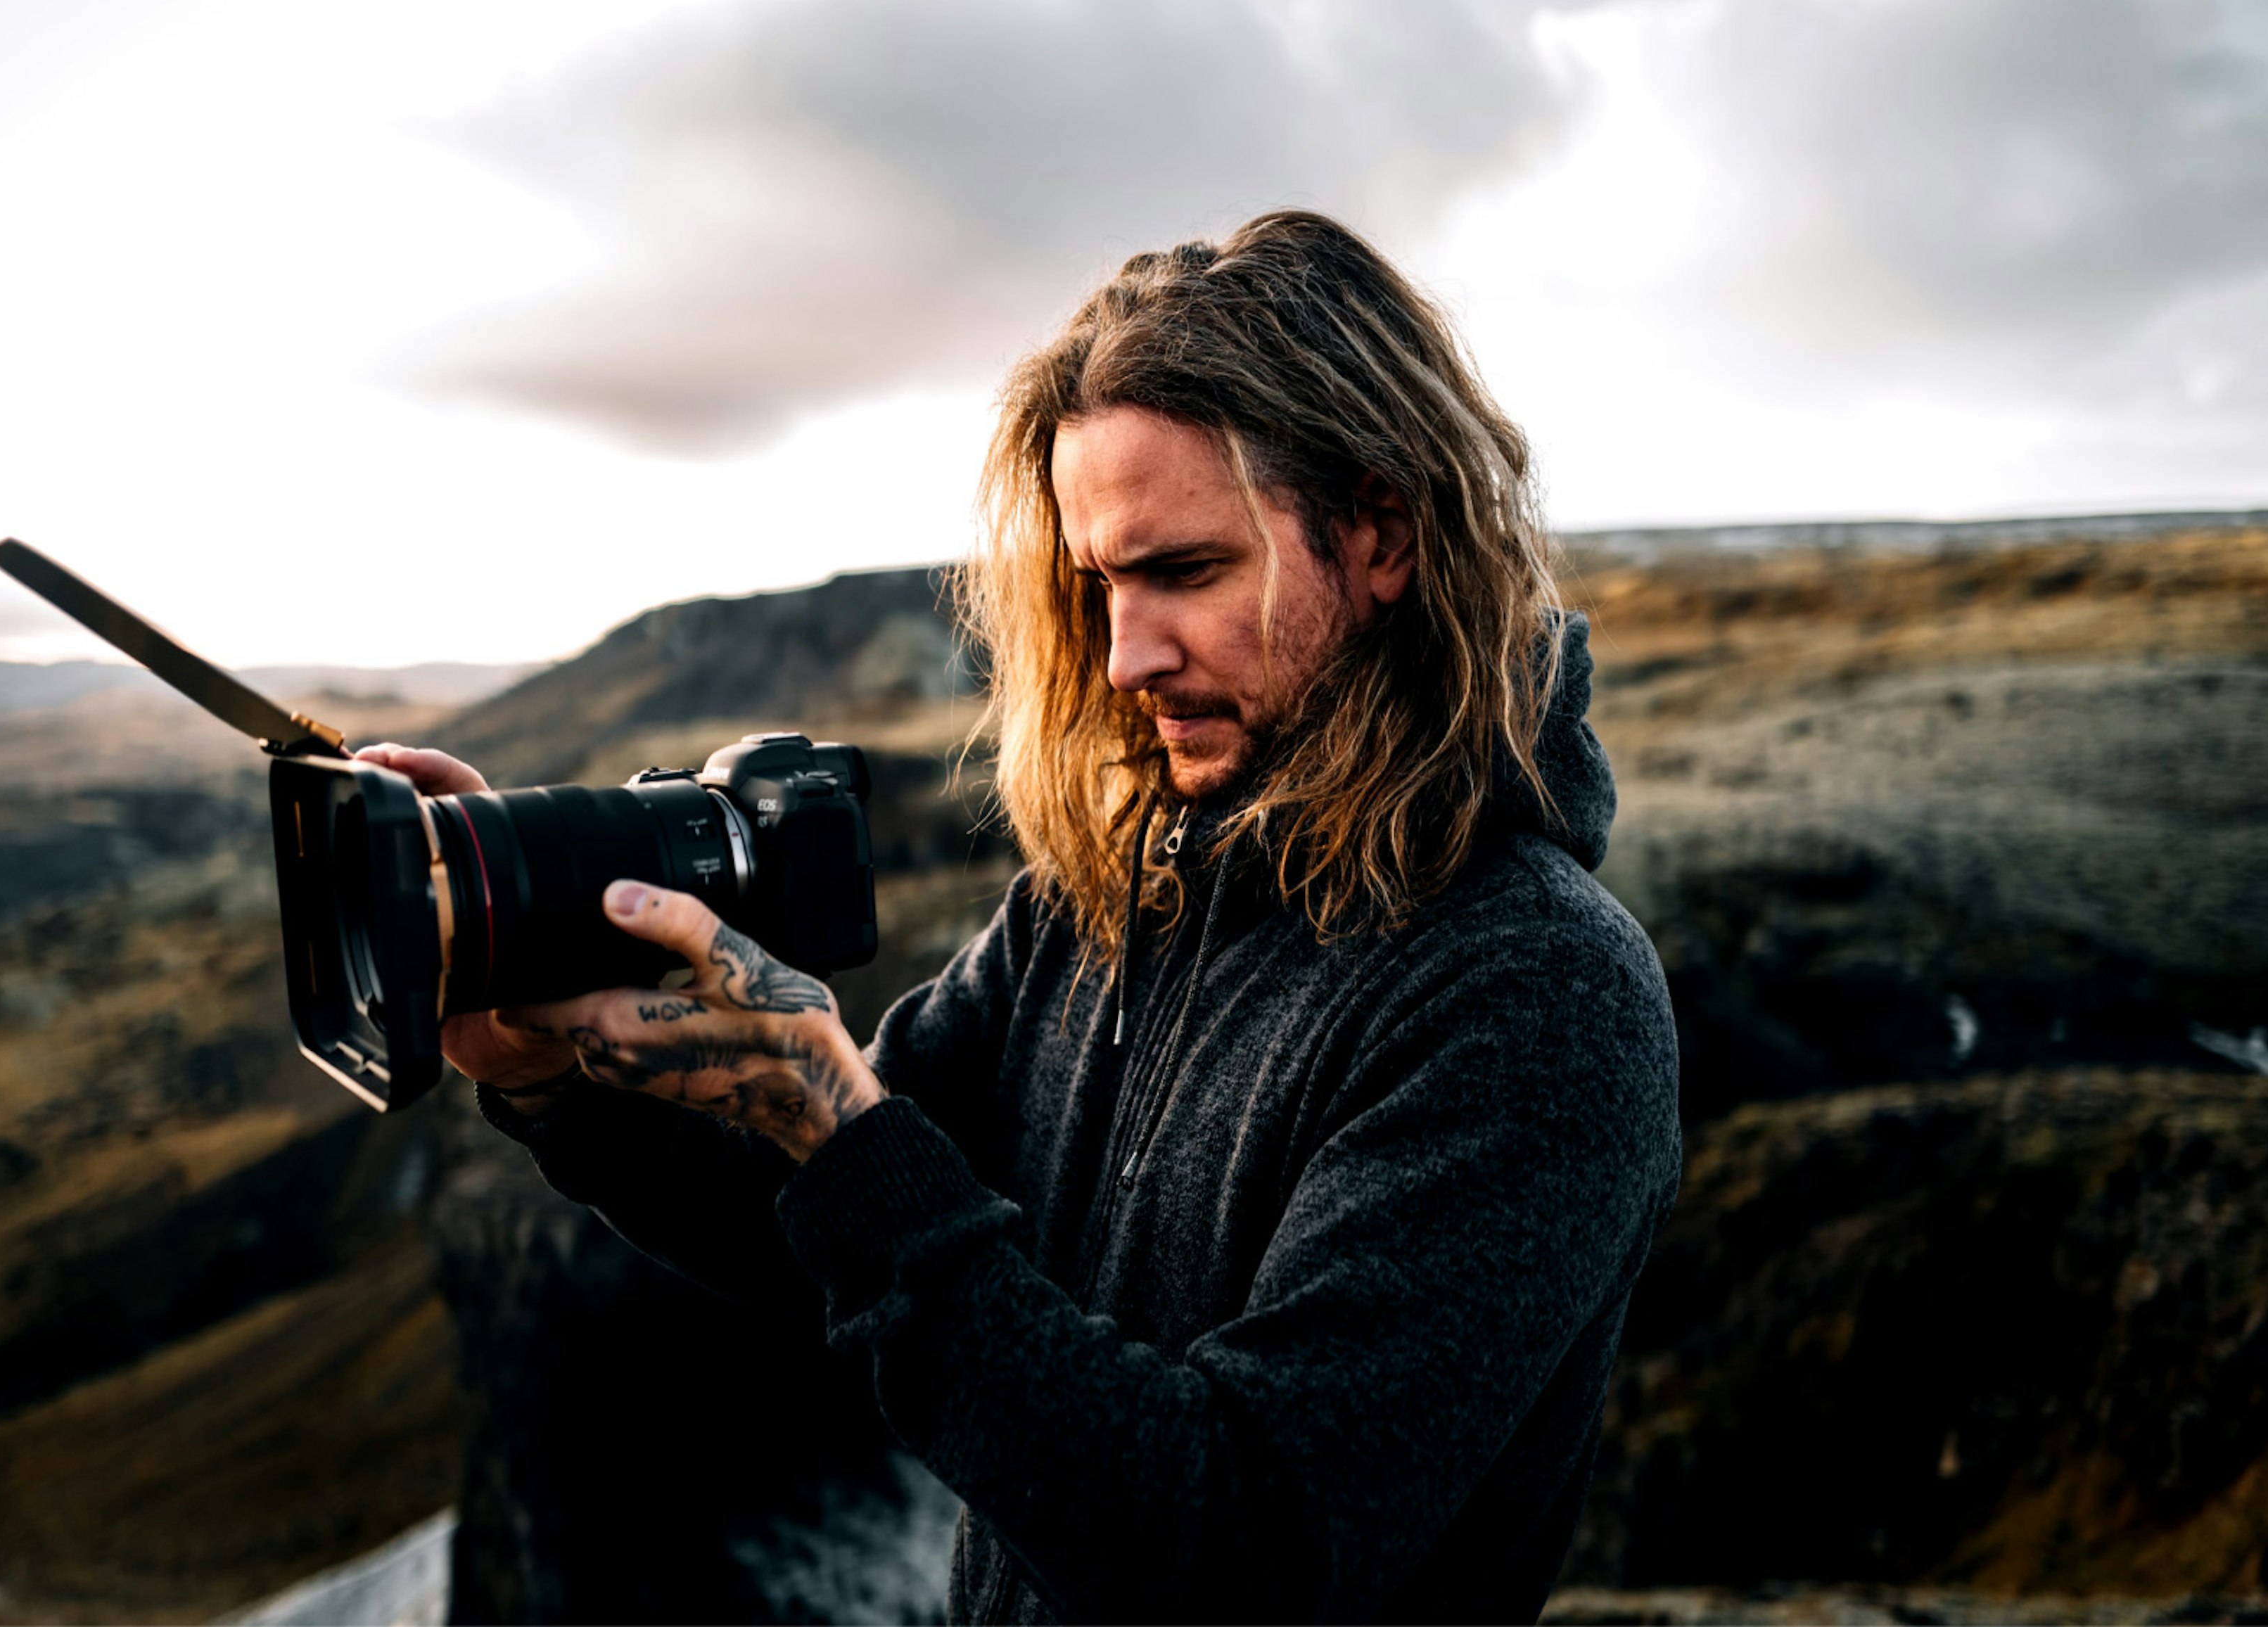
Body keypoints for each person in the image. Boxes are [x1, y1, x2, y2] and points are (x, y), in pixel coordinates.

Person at [362, 210, 1681, 1623]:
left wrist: (838, 1128)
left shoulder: (1535, 996)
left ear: (1382, 537)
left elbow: (1240, 1550)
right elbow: (836, 1237)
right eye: (1097, 584)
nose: (1124, 658)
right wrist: (559, 1081)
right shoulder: (1112, 899)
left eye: (1185, 571)